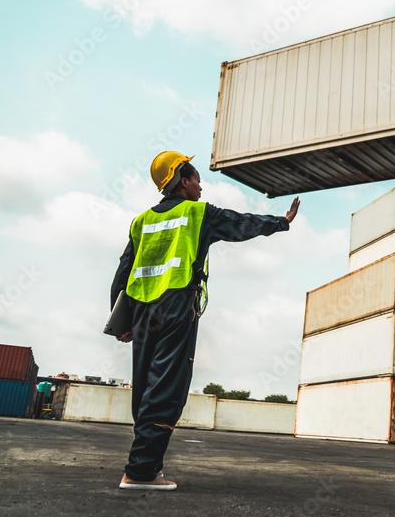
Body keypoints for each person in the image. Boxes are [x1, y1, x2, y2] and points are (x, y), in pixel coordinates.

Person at [110, 151, 299, 491]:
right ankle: (139, 472)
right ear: (183, 180)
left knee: (144, 388)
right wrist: (281, 221)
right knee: (166, 387)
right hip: (176, 304)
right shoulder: (199, 214)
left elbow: (123, 272)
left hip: (141, 311)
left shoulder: (141, 221)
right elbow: (241, 223)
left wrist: (120, 321)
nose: (201, 185)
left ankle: (144, 467)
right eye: (196, 179)